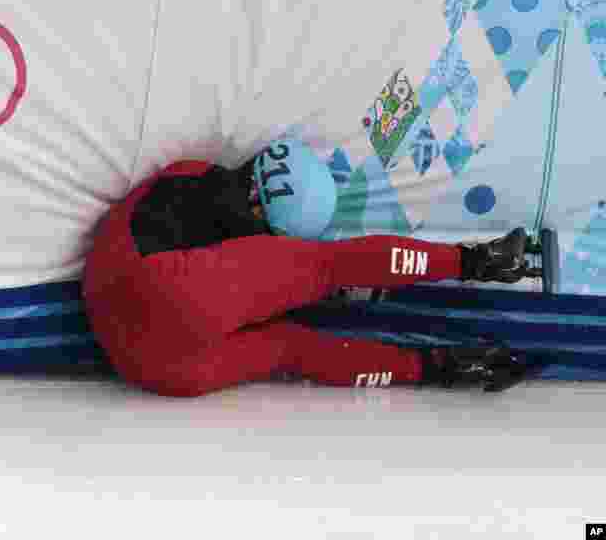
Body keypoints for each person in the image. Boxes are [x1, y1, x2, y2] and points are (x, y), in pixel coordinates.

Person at [82, 142, 540, 398]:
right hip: (176, 298)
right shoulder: (239, 239)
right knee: (328, 272)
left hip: (139, 361)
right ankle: (478, 261)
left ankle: (438, 369)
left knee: (290, 347)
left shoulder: (191, 172)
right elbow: (307, 263)